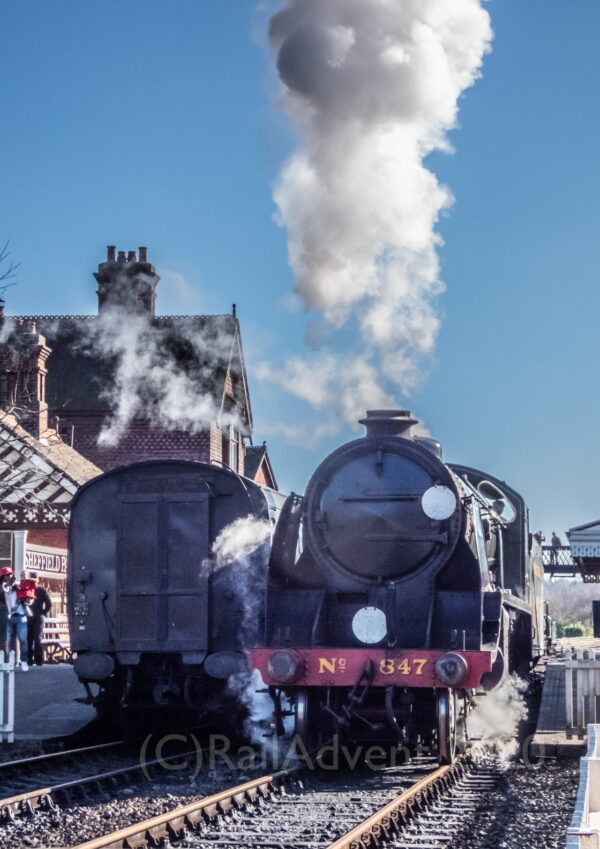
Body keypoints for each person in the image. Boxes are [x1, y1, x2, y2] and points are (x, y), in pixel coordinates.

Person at [3, 568, 31, 671]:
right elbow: (4, 592)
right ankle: (11, 662)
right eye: (8, 576)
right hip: (11, 616)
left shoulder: (20, 585)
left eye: (11, 576)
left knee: (22, 639)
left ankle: (24, 661)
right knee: (10, 641)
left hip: (21, 615)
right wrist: (9, 585)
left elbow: (29, 600)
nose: (10, 578)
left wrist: (23, 600)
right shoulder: (7, 588)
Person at [27, 572, 51, 666]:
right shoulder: (41, 589)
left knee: (29, 638)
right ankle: (39, 661)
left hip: (29, 615)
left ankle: (29, 660)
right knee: (37, 638)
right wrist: (43, 612)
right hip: (38, 615)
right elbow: (49, 604)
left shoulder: (28, 589)